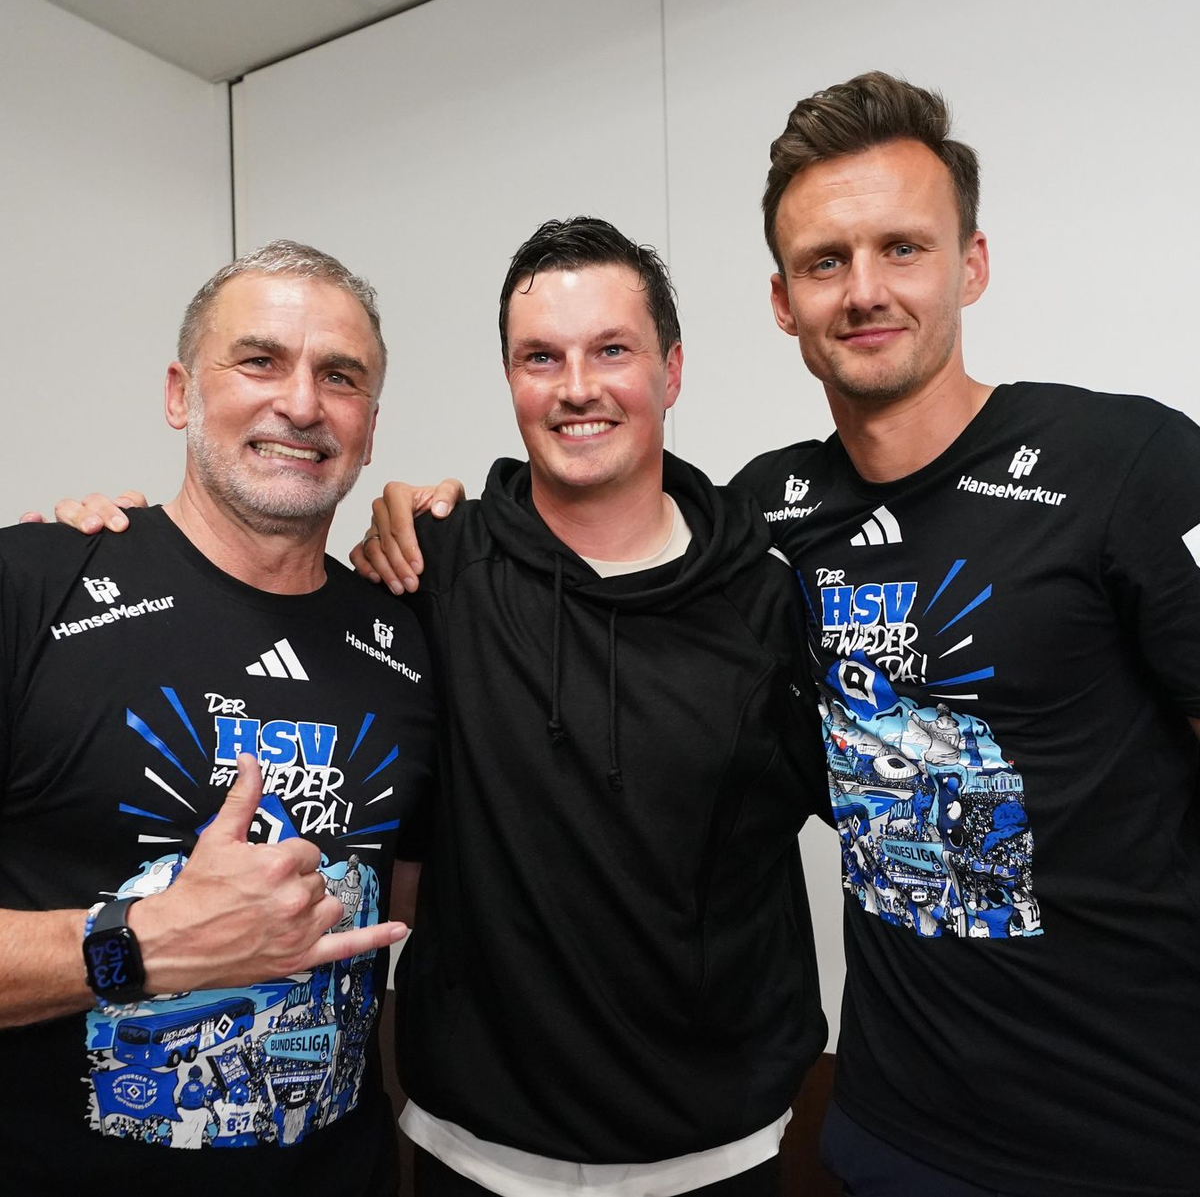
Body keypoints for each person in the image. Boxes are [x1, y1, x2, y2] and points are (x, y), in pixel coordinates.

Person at [354, 75, 1200, 1197]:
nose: (863, 291)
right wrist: (408, 516)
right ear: (781, 299)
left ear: (972, 264)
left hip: (1127, 1128)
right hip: (885, 1128)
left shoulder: (1128, 463)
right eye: (824, 262)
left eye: (902, 247)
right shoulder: (766, 520)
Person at [46, 218, 829, 1196]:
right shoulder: (431, 570)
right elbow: (409, 873)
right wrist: (80, 558)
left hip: (724, 1146)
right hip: (473, 1151)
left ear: (671, 370)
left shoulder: (774, 593)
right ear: (510, 380)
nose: (577, 386)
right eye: (541, 356)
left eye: (612, 351)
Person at [0, 240, 435, 1194]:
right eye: (260, 359)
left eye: (341, 376)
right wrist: (139, 944)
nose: (303, 403)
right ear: (179, 393)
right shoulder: (32, 585)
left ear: (367, 429)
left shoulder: (409, 639)